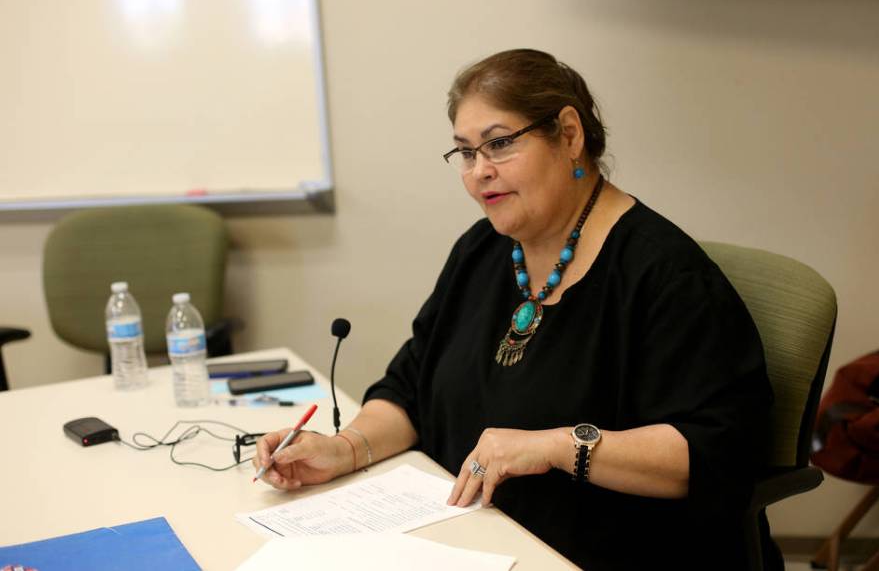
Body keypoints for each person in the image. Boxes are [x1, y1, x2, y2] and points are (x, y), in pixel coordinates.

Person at [253, 49, 774, 569]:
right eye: (465, 152)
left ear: (569, 135)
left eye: (499, 144)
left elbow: (716, 451)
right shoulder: (482, 250)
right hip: (471, 540)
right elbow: (413, 385)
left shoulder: (665, 276)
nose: (480, 172)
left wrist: (557, 446)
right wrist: (344, 450)